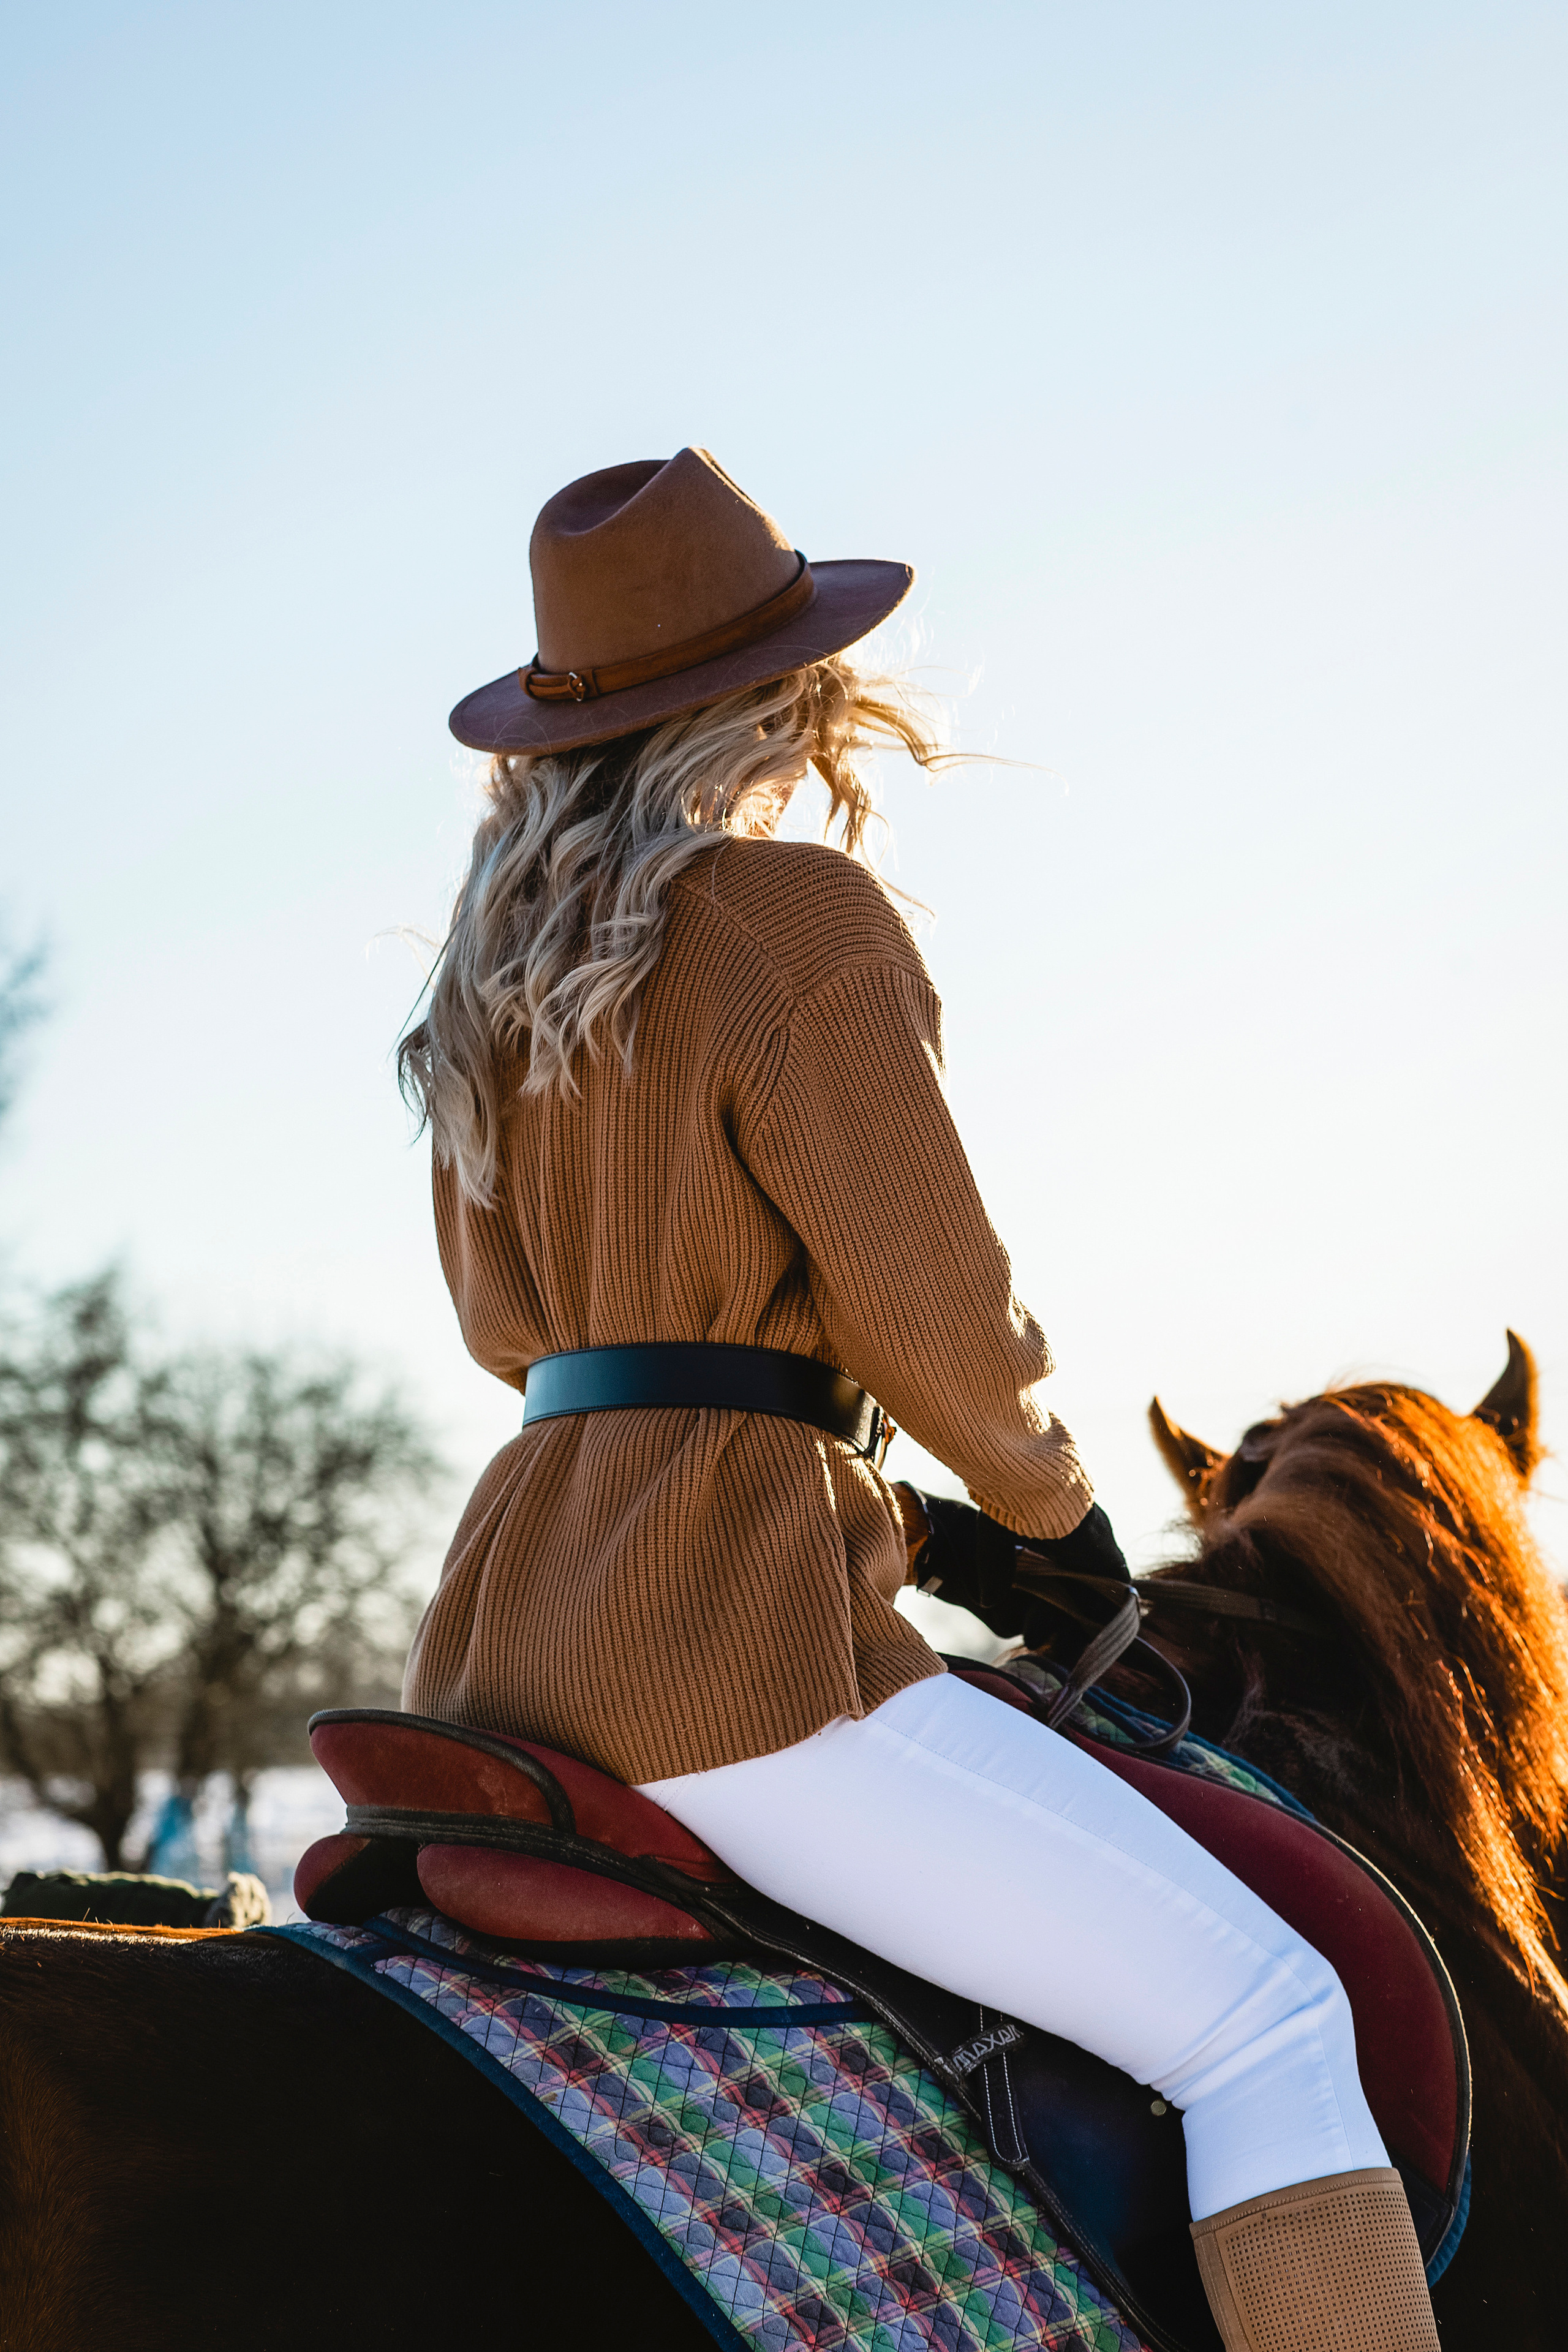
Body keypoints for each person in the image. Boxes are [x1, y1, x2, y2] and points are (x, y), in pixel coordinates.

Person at [399, 447, 1439, 2352]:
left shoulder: (488, 988)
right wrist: (1049, 1521)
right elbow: (933, 1310)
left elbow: (505, 1329)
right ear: (788, 688)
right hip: (733, 1646)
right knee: (1275, 2029)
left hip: (511, 1620)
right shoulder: (793, 919)